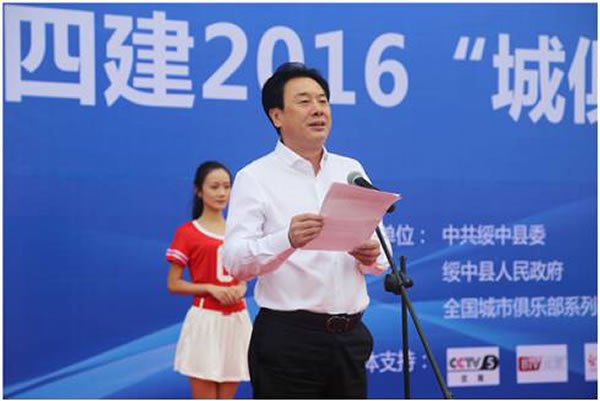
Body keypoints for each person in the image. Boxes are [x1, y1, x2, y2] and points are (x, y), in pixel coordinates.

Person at [223, 62, 391, 398]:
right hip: (289, 340)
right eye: (304, 101)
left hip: (350, 338)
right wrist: (285, 239)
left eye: (323, 101)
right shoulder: (254, 177)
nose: (318, 109)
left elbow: (381, 257)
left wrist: (371, 256)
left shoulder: (350, 169)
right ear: (276, 116)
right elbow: (235, 262)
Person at [166, 161, 252, 399]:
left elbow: (243, 273)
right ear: (199, 191)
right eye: (214, 187)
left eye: (227, 186)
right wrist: (210, 288)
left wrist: (241, 287)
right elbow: (173, 283)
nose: (222, 193)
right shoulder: (187, 233)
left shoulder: (239, 231)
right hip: (206, 320)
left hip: (237, 320)